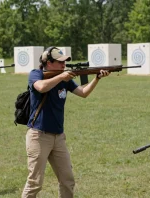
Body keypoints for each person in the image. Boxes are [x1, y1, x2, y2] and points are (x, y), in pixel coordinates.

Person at [21, 47, 110, 198]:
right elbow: (41, 87)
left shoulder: (65, 79)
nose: (64, 65)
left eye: (65, 62)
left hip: (58, 137)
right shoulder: (36, 74)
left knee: (67, 180)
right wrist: (62, 77)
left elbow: (83, 93)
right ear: (48, 63)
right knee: (35, 183)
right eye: (60, 62)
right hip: (39, 135)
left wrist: (97, 78)